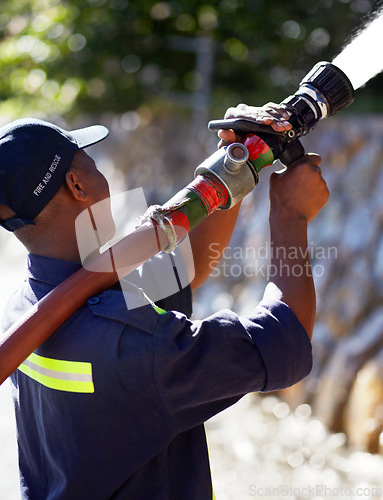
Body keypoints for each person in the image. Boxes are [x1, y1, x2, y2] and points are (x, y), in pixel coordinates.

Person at [0, 103, 329, 500]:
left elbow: (187, 268)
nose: (98, 168)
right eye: (89, 159)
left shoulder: (25, 308)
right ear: (77, 185)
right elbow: (285, 337)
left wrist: (234, 173)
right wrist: (290, 215)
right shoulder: (133, 340)